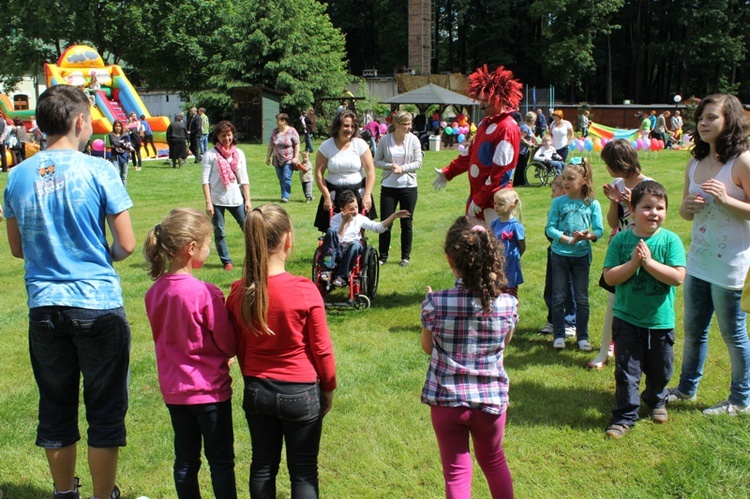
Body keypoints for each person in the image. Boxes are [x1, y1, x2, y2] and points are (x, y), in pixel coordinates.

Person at [3, 84, 135, 499]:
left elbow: (17, 247)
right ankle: (102, 495)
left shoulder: (17, 175)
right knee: (104, 409)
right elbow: (126, 244)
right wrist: (100, 254)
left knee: (55, 406)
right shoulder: (100, 170)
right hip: (97, 305)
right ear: (80, 122)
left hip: (44, 308)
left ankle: (64, 493)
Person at [226, 204, 337, 498]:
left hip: (257, 390)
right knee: (303, 472)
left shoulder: (238, 292)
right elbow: (322, 350)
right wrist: (328, 387)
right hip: (300, 393)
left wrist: (252, 379)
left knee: (262, 466)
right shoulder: (303, 289)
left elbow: (240, 348)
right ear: (288, 240)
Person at [144, 208, 238, 498]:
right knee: (220, 460)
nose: (209, 249)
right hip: (210, 391)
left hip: (175, 392)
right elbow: (228, 342)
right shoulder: (205, 293)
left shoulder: (154, 292)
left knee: (185, 460)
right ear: (191, 248)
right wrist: (229, 353)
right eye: (208, 242)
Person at [420, 216, 516, 499]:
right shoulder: (507, 303)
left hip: (447, 400)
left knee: (456, 471)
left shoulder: (436, 302)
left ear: (450, 259)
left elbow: (428, 348)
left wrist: (431, 312)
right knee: (494, 461)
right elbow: (504, 341)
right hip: (490, 400)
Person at [666, 94, 750, 416]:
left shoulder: (741, 162)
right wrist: (685, 208)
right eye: (701, 117)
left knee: (733, 335)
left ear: (730, 121)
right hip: (698, 261)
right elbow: (687, 214)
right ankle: (687, 388)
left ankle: (741, 400)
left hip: (730, 266)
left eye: (712, 117)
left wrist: (728, 201)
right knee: (694, 330)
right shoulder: (695, 163)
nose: (703, 122)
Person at [602, 181, 686, 438]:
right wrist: (633, 263)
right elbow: (610, 278)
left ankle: (656, 398)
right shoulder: (621, 241)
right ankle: (625, 416)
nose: (654, 212)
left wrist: (648, 263)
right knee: (627, 371)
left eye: (660, 207)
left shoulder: (671, 240)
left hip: (660, 321)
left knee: (661, 368)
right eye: (647, 207)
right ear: (631, 209)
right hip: (627, 319)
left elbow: (677, 277)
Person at [588, 139, 652, 370]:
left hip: (641, 250)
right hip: (620, 247)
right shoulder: (617, 182)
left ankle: (638, 350)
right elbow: (613, 223)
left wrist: (631, 203)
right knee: (613, 302)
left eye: (609, 164)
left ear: (621, 162)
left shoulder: (649, 186)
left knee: (637, 301)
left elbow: (650, 225)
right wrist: (615, 202)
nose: (607, 169)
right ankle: (604, 351)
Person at [432, 65, 522, 224]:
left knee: (493, 243)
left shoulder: (507, 128)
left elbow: (500, 173)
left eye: (485, 100)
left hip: (494, 201)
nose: (481, 104)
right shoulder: (484, 123)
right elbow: (469, 154)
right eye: (480, 98)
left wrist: (481, 199)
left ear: (498, 99)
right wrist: (448, 171)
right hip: (478, 197)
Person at [545, 156, 604, 350]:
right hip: (559, 255)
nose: (565, 182)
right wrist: (567, 239)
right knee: (558, 296)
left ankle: (582, 337)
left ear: (583, 180)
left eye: (570, 178)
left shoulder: (592, 204)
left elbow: (599, 230)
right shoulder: (558, 202)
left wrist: (588, 237)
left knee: (582, 299)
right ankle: (559, 335)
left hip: (581, 257)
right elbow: (550, 229)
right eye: (563, 178)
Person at [319, 189, 410, 288]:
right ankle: (327, 269)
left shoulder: (360, 218)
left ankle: (341, 277)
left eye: (356, 207)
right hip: (337, 249)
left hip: (353, 249)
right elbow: (339, 239)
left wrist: (394, 216)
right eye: (351, 209)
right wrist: (344, 223)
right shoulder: (335, 219)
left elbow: (378, 228)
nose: (355, 211)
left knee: (356, 245)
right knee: (330, 231)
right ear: (342, 209)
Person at [314, 109, 377, 232]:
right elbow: (318, 174)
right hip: (334, 194)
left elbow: (370, 172)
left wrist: (367, 195)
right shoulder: (326, 146)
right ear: (338, 126)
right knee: (333, 231)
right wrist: (327, 196)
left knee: (357, 230)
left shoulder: (360, 144)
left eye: (353, 126)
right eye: (346, 125)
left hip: (357, 193)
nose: (350, 129)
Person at [202, 120, 251, 272]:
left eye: (229, 135)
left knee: (249, 229)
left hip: (236, 199)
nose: (227, 139)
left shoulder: (239, 153)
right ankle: (226, 261)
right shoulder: (210, 155)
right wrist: (208, 202)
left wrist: (248, 200)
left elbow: (244, 178)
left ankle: (253, 258)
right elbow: (205, 180)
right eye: (223, 136)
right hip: (217, 200)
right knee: (220, 232)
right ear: (217, 136)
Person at [374, 110, 421, 266]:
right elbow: (377, 161)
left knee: (406, 222)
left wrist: (403, 168)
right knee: (386, 222)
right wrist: (390, 166)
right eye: (405, 124)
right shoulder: (385, 140)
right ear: (396, 125)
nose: (409, 127)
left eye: (410, 124)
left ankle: (405, 257)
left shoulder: (413, 140)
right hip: (389, 186)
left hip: (408, 186)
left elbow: (418, 162)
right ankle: (382, 256)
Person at [540, 175, 577, 337]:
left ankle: (570, 321)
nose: (551, 195)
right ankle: (553, 319)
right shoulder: (554, 208)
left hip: (569, 255)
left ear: (563, 191)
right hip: (554, 252)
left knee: (568, 288)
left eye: (553, 191)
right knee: (551, 287)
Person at [491, 189, 525, 297]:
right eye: (495, 203)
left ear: (512, 205)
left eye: (501, 204)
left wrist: (515, 257)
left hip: (511, 264)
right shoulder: (494, 224)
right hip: (497, 263)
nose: (496, 206)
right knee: (496, 290)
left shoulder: (515, 226)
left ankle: (511, 312)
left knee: (510, 292)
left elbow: (522, 245)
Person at [266, 113, 300, 203]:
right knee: (281, 178)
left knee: (286, 177)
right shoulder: (274, 132)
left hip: (289, 159)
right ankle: (283, 194)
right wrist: (268, 157)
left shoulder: (292, 131)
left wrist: (296, 157)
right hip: (277, 159)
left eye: (278, 120)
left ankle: (285, 196)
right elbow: (270, 145)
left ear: (284, 121)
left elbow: (297, 145)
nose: (276, 122)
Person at [513, 111, 537, 187]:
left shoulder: (527, 127)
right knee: (520, 166)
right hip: (521, 150)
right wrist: (529, 144)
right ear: (533, 120)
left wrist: (536, 142)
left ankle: (522, 181)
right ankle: (518, 182)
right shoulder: (525, 127)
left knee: (523, 166)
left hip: (524, 150)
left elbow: (532, 136)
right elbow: (520, 138)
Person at [108, 120, 133, 186]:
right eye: (116, 126)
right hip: (115, 157)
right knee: (116, 174)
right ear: (114, 127)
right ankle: (117, 191)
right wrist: (123, 143)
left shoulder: (124, 134)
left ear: (121, 127)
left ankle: (123, 192)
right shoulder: (111, 134)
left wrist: (122, 143)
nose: (118, 128)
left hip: (124, 156)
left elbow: (129, 143)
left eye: (119, 126)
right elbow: (115, 143)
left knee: (124, 176)